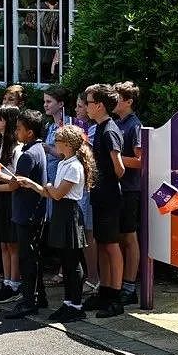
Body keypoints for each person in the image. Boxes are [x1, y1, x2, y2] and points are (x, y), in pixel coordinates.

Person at [16, 124, 96, 323]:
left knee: (72, 262)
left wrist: (50, 187)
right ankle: (68, 302)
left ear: (67, 144)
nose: (55, 145)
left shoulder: (75, 166)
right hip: (60, 214)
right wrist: (34, 185)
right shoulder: (63, 163)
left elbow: (58, 194)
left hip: (69, 214)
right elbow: (49, 192)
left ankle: (76, 305)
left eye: (58, 141)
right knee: (65, 261)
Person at [83, 83, 125, 318]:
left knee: (111, 245)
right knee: (101, 243)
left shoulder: (109, 130)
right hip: (99, 194)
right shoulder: (98, 128)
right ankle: (106, 290)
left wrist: (103, 177)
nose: (86, 107)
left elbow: (119, 168)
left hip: (109, 196)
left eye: (89, 102)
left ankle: (115, 296)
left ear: (99, 105)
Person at [3, 108, 48, 319]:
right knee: (34, 255)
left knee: (27, 257)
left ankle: (30, 300)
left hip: (26, 212)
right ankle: (40, 296)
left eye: (19, 129)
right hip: (35, 212)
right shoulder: (39, 149)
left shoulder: (28, 154)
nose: (16, 132)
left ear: (29, 132)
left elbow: (16, 184)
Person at [0, 105, 23, 303]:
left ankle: (14, 284)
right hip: (0, 196)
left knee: (12, 243)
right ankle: (7, 281)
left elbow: (15, 181)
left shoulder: (17, 147)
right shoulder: (0, 144)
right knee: (4, 243)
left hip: (9, 197)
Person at [114, 81, 143, 305]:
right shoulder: (117, 123)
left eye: (117, 97)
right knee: (120, 237)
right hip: (118, 188)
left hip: (130, 189)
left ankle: (130, 285)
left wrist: (113, 158)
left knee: (130, 237)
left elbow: (141, 161)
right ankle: (120, 282)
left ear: (128, 101)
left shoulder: (134, 126)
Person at [42, 85, 71, 288]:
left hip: (63, 182)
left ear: (60, 104)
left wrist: (47, 149)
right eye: (44, 101)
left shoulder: (67, 126)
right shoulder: (50, 126)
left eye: (49, 102)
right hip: (50, 180)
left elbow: (65, 154)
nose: (45, 105)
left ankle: (65, 270)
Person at [74, 91, 99, 291]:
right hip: (82, 188)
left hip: (89, 189)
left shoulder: (94, 130)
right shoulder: (86, 128)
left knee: (89, 234)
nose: (78, 110)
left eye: (81, 106)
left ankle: (93, 277)